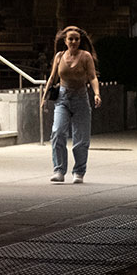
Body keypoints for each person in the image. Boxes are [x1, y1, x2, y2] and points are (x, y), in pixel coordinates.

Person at [42, 25, 101, 183]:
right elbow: (53, 77)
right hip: (62, 98)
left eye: (76, 39)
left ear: (80, 40)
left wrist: (96, 94)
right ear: (65, 41)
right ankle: (59, 170)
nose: (74, 41)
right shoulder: (59, 56)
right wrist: (44, 97)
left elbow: (93, 77)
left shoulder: (85, 56)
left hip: (80, 98)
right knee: (58, 132)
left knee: (81, 138)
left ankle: (79, 171)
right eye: (70, 39)